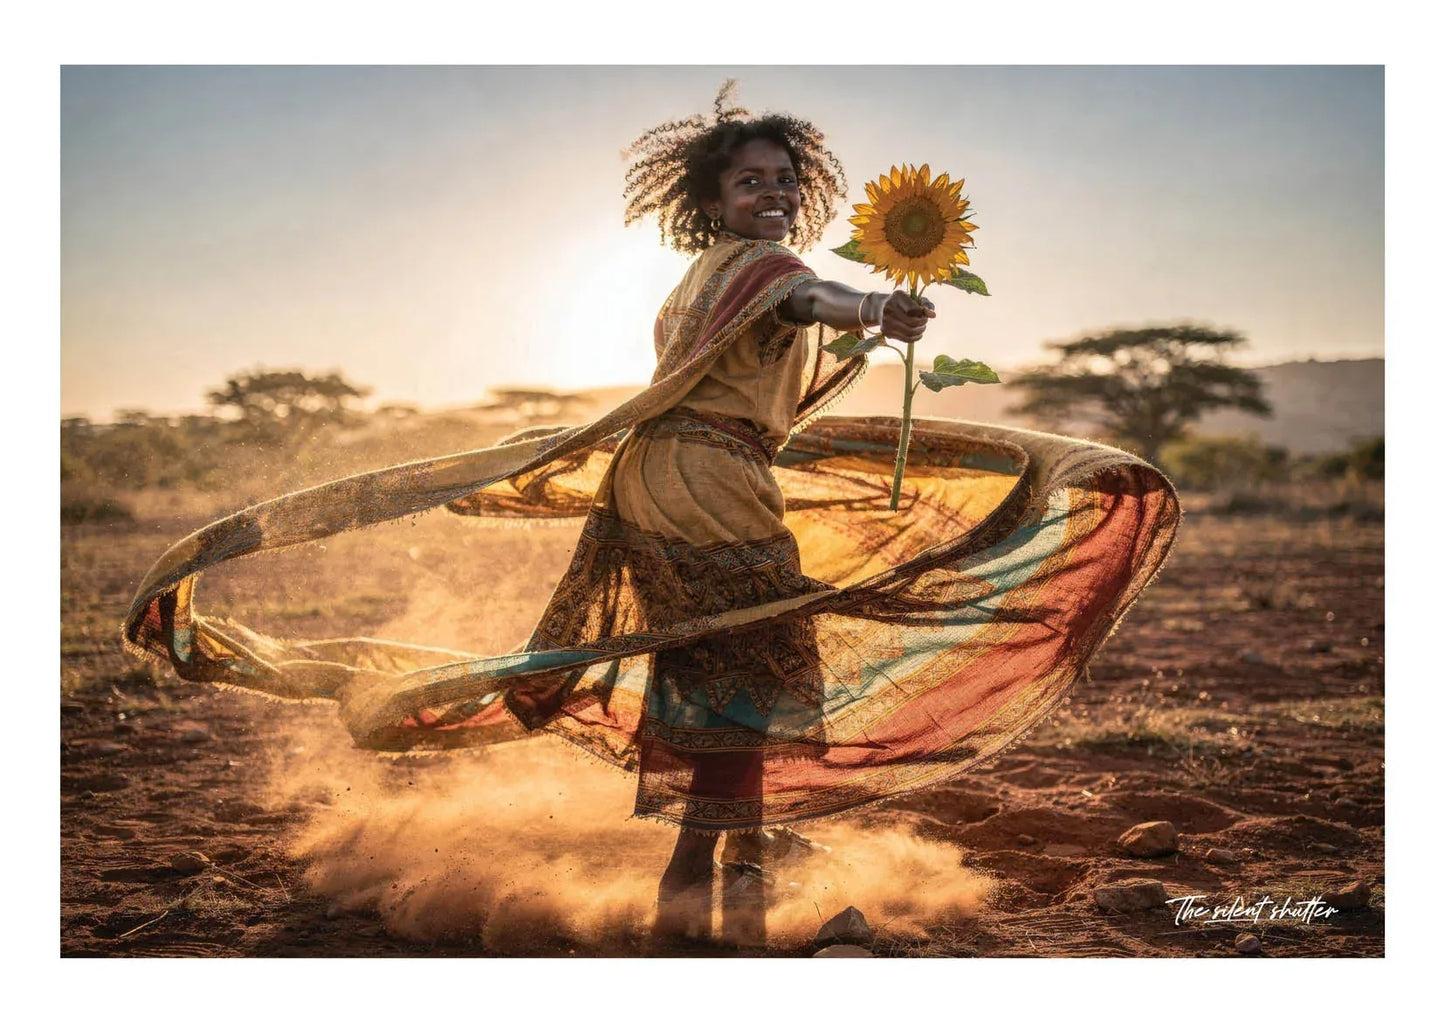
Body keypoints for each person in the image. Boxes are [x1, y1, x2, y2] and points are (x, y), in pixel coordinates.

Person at [123, 84, 1180, 949]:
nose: (769, 193)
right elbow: (805, 302)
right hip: (703, 482)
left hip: (681, 473)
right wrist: (869, 309)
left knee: (717, 664)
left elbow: (772, 355)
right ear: (716, 197)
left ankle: (723, 868)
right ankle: (704, 882)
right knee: (752, 667)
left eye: (781, 180)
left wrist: (865, 326)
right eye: (749, 180)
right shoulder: (767, 270)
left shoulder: (701, 277)